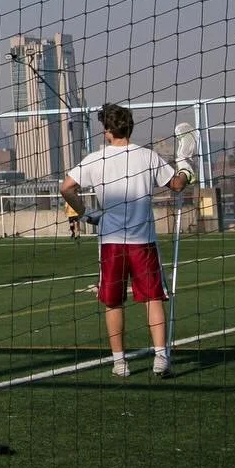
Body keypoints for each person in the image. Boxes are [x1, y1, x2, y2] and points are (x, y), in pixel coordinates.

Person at [60, 103, 191, 379]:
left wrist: (86, 215)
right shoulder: (148, 157)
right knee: (153, 299)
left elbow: (66, 188)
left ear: (107, 130)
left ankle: (120, 362)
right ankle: (160, 358)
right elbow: (177, 185)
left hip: (111, 243)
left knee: (113, 302)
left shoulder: (95, 159)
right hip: (142, 241)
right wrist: (186, 167)